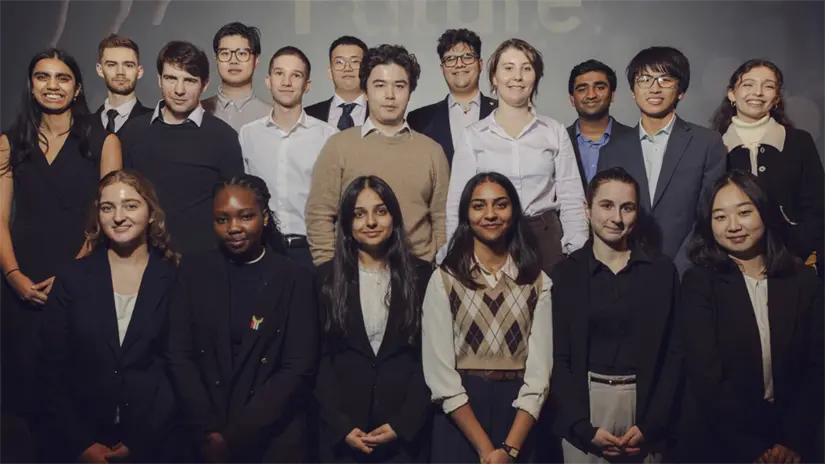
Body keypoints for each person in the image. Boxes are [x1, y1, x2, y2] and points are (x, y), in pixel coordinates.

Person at [0, 48, 122, 461]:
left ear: (78, 86)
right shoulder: (9, 142)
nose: (52, 85)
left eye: (62, 77)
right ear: (31, 85)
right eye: (42, 77)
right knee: (24, 401)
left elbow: (109, 217)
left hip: (81, 278)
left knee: (74, 393)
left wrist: (72, 274)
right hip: (19, 281)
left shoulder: (103, 141)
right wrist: (13, 275)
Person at [167, 174, 317, 463]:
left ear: (264, 217)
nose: (233, 228)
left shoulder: (294, 278)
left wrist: (234, 437)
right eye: (222, 220)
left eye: (245, 216)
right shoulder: (192, 272)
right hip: (203, 438)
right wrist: (208, 431)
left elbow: (299, 367)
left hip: (273, 440)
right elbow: (178, 355)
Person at [679, 170, 825, 463]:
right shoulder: (699, 282)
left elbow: (817, 366)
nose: (733, 226)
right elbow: (707, 377)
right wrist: (753, 448)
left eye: (744, 212)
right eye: (720, 217)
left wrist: (791, 440)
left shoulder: (802, 280)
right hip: (723, 441)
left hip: (793, 439)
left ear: (765, 212)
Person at [36, 170, 180, 464]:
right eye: (107, 207)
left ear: (151, 213)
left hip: (154, 443)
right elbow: (49, 368)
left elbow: (178, 369)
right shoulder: (72, 278)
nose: (118, 216)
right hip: (79, 439)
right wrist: (82, 445)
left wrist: (140, 443)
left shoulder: (176, 279)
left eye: (131, 205)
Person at [551, 167, 681, 463]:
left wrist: (652, 424)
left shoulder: (661, 272)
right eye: (606, 205)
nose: (617, 218)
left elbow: (675, 354)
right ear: (587, 209)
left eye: (627, 208)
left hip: (645, 410)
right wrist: (582, 427)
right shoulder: (566, 274)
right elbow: (558, 359)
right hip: (587, 408)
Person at [422, 172, 552, 463]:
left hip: (519, 416)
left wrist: (510, 449)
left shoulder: (538, 281)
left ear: (514, 211)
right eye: (479, 206)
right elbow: (440, 376)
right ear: (466, 214)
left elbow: (539, 375)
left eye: (500, 205)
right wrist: (485, 449)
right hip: (460, 417)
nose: (490, 214)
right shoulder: (444, 279)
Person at [315, 175, 434, 463]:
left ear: (394, 217)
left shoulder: (424, 277)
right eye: (359, 214)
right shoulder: (324, 279)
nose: (371, 222)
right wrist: (341, 426)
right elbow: (317, 360)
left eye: (380, 211)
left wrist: (403, 424)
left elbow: (432, 358)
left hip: (404, 437)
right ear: (346, 223)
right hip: (343, 436)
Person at [446, 38, 588, 276]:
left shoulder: (554, 131)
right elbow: (457, 204)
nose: (517, 76)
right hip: (490, 237)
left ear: (536, 77)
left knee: (551, 310)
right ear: (494, 77)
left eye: (527, 68)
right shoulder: (473, 136)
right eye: (508, 68)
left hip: (545, 236)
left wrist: (577, 251)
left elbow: (571, 197)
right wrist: (456, 252)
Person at [306, 44, 450, 265]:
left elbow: (442, 220)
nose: (390, 95)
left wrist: (438, 269)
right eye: (380, 85)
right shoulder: (338, 147)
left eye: (399, 86)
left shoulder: (432, 151)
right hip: (354, 274)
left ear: (410, 93)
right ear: (365, 91)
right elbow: (320, 214)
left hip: (419, 274)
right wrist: (329, 270)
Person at [598, 46, 727, 275]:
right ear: (633, 90)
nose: (654, 88)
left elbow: (709, 213)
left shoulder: (707, 143)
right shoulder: (612, 150)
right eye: (644, 79)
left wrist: (681, 267)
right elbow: (605, 216)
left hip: (690, 270)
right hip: (626, 271)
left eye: (665, 80)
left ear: (680, 91)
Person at [119, 40, 244, 257]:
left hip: (202, 262)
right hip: (141, 259)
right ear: (159, 79)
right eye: (171, 78)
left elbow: (232, 212)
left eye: (189, 80)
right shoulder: (133, 132)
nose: (179, 90)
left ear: (204, 85)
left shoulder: (223, 137)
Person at [710, 58, 825, 277]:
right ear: (732, 94)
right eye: (748, 84)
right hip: (728, 265)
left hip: (792, 261)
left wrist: (793, 252)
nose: (758, 93)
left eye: (768, 86)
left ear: (777, 98)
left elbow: (817, 206)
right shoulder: (713, 145)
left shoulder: (799, 141)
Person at [239, 46, 337, 266]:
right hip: (262, 248)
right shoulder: (248, 135)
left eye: (296, 75)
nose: (286, 82)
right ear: (268, 80)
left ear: (307, 85)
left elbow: (335, 201)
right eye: (279, 73)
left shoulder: (328, 136)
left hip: (311, 250)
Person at [407, 28, 496, 167]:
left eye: (467, 57)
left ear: (480, 64)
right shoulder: (419, 120)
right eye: (451, 59)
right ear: (442, 69)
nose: (459, 64)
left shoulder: (501, 111)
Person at [566, 60, 634, 188]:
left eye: (600, 88)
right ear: (572, 99)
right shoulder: (557, 141)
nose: (591, 95)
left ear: (612, 95)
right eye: (582, 89)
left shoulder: (635, 140)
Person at [202, 22, 271, 132]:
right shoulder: (197, 112)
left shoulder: (271, 116)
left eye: (242, 53)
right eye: (225, 53)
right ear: (216, 59)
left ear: (256, 59)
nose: (233, 60)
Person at [305, 36, 370, 129]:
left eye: (355, 61)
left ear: (366, 70)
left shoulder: (382, 112)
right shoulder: (309, 115)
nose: (347, 68)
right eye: (339, 62)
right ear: (330, 72)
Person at [93, 34, 152, 135]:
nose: (120, 72)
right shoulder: (83, 126)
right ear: (100, 70)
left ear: (139, 71)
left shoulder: (155, 123)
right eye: (111, 65)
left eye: (128, 65)